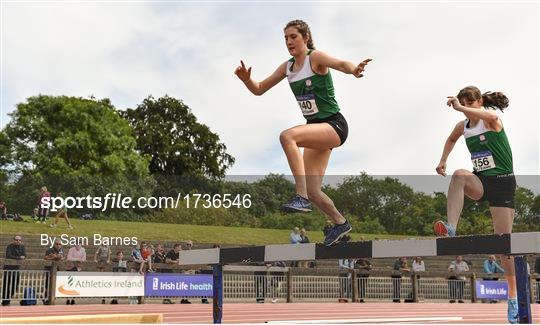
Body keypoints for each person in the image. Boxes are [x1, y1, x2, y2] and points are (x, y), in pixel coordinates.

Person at [235, 19, 372, 246]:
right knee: (314, 190)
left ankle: (301, 198)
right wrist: (247, 79)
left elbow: (340, 63)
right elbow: (259, 89)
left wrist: (354, 70)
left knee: (288, 136)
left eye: (293, 37)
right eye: (286, 38)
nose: (289, 41)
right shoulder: (287, 67)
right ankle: (340, 222)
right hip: (315, 129)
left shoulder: (314, 58)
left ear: (305, 37)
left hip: (334, 125)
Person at [432, 86, 518, 322]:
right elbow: (451, 139)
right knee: (459, 176)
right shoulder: (463, 127)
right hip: (481, 180)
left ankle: (513, 297)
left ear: (479, 102)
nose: (464, 108)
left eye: (468, 103)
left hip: (502, 182)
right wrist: (442, 160)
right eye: (461, 104)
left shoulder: (490, 121)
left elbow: (492, 116)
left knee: (504, 247)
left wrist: (460, 108)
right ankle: (451, 227)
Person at [2, 235, 26, 306]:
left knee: (15, 285)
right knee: (6, 285)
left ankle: (8, 299)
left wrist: (22, 257)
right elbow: (9, 256)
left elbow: (24, 255)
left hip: (16, 269)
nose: (18, 241)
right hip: (8, 269)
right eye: (16, 239)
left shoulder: (22, 247)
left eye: (19, 240)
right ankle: (4, 300)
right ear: (13, 240)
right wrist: (19, 257)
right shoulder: (9, 246)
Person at [44, 239, 64, 305]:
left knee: (55, 285)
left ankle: (52, 298)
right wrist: (53, 258)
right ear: (54, 244)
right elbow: (45, 258)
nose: (58, 245)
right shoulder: (49, 250)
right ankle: (46, 298)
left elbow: (62, 258)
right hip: (48, 270)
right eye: (57, 244)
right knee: (48, 285)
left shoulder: (61, 250)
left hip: (56, 270)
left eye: (59, 244)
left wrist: (56, 257)